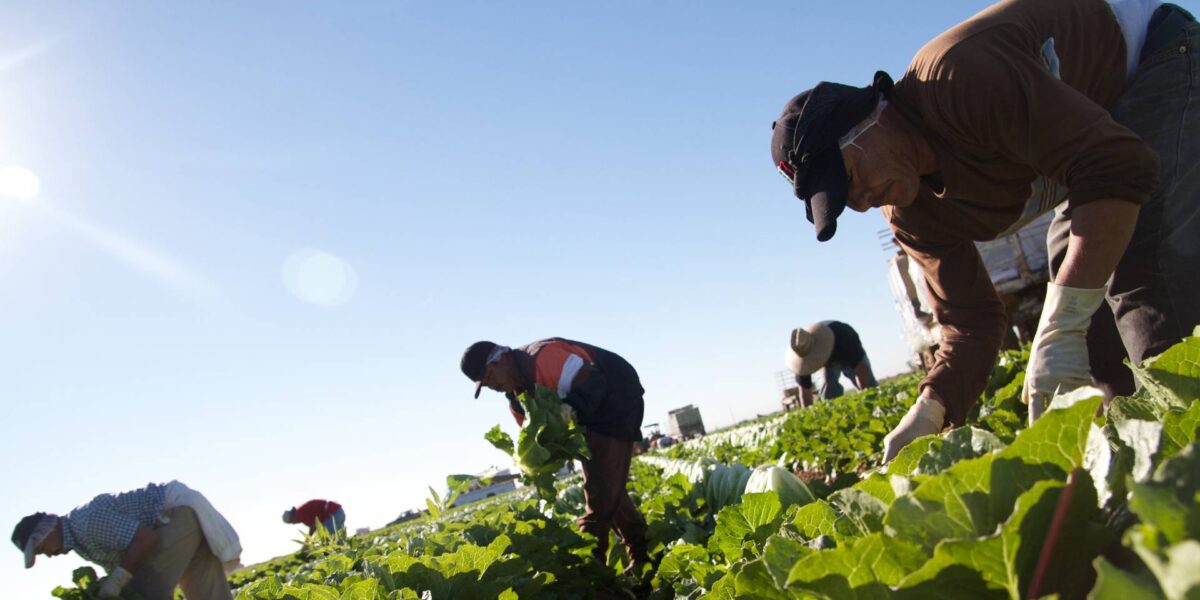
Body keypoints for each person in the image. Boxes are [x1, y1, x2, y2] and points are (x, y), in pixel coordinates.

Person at [770, 0, 1200, 461]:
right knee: (1078, 290)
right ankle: (1140, 459)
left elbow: (1116, 167)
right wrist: (931, 407)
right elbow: (970, 321)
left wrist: (1063, 321)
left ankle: (1185, 452)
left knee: (1141, 263)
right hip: (1088, 142)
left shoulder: (959, 78)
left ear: (871, 120)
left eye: (849, 179)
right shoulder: (908, 212)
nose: (858, 201)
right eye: (841, 202)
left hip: (1150, 55)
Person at [460, 338, 650, 574]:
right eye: (486, 385)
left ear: (501, 359)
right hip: (589, 416)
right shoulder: (518, 403)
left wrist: (570, 407)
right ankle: (642, 555)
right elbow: (540, 441)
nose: (492, 386)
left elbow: (595, 382)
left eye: (490, 377)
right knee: (608, 487)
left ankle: (591, 568)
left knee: (600, 488)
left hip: (616, 394)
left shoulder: (543, 358)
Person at [12, 481, 241, 600]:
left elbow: (145, 539)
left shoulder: (86, 523)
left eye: (41, 549)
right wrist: (112, 582)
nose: (47, 555)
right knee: (207, 593)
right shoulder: (80, 542)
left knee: (147, 591)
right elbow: (128, 559)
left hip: (175, 514)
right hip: (181, 520)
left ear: (47, 530)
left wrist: (118, 579)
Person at [786, 321, 879, 406]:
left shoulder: (843, 338)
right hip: (831, 358)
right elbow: (805, 394)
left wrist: (867, 400)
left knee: (871, 390)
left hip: (846, 351)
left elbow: (861, 369)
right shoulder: (802, 351)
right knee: (828, 396)